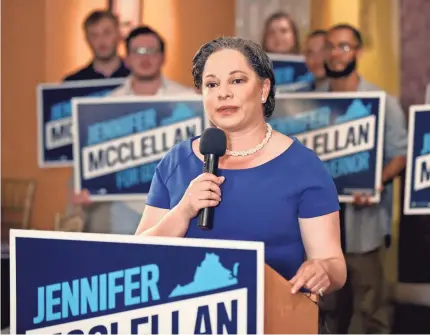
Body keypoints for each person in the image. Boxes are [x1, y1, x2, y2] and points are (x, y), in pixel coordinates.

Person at [136, 36, 347, 297]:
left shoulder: (303, 166)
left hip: (272, 315)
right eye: (211, 84)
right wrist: (183, 211)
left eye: (237, 80)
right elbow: (138, 256)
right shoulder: (176, 162)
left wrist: (322, 270)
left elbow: (335, 266)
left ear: (263, 89)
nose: (223, 93)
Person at [318, 24, 407, 334]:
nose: (336, 54)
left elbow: (400, 154)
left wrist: (375, 181)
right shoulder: (308, 102)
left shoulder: (382, 102)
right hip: (319, 225)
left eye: (344, 47)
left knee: (368, 306)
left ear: (358, 52)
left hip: (364, 224)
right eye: (330, 46)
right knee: (322, 305)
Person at [70, 26, 196, 235]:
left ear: (163, 57)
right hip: (124, 207)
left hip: (175, 202)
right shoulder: (109, 104)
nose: (144, 58)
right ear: (127, 59)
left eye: (151, 51)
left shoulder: (189, 100)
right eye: (138, 51)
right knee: (125, 262)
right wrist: (87, 187)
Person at [63, 10, 129, 81]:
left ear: (119, 35)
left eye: (107, 33)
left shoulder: (136, 77)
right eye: (94, 35)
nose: (101, 40)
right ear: (87, 39)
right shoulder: (73, 83)